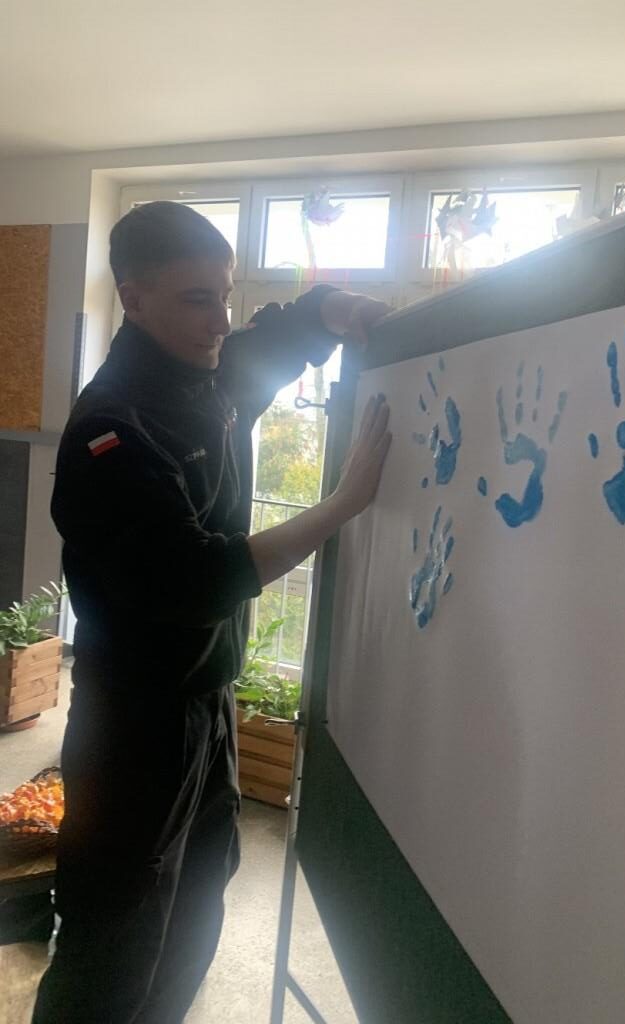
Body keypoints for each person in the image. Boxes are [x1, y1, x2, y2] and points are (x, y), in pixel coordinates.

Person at [33, 201, 392, 1024]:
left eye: (225, 295)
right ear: (133, 298)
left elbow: (293, 326)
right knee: (113, 935)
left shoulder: (212, 372)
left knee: (197, 896)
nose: (220, 320)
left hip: (208, 704)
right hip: (133, 725)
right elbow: (198, 581)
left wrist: (347, 310)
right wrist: (341, 506)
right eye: (197, 299)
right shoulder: (111, 429)